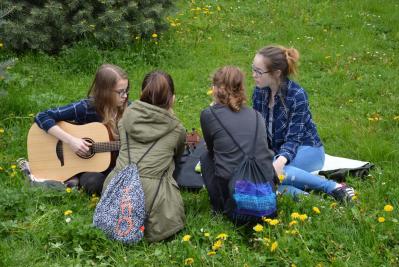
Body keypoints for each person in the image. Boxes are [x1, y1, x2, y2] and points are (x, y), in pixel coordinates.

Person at [251, 45, 355, 202]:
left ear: (276, 73)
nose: (253, 75)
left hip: (307, 149)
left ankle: (333, 187)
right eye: (253, 69)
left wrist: (279, 161)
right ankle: (317, 202)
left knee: (272, 172)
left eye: (258, 71)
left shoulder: (297, 95)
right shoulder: (259, 92)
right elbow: (258, 131)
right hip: (278, 153)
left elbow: (294, 139)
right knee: (265, 179)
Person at [102, 70, 186, 242]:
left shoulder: (124, 120)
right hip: (155, 201)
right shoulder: (177, 129)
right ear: (172, 98)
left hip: (117, 188)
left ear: (141, 94)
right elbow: (177, 157)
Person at [34, 64, 130, 195]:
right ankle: (74, 176)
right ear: (105, 92)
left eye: (126, 90)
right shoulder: (86, 108)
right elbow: (42, 116)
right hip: (88, 168)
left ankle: (73, 180)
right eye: (121, 92)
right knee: (94, 182)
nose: (125, 96)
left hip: (113, 165)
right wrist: (71, 141)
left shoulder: (129, 110)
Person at [200, 66, 276, 218]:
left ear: (215, 89)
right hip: (264, 185)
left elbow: (211, 149)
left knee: (206, 158)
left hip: (234, 190)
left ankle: (220, 207)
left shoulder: (209, 114)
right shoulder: (256, 115)